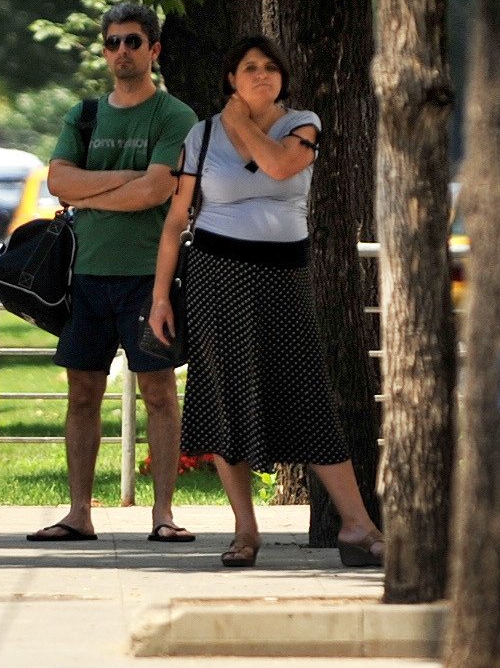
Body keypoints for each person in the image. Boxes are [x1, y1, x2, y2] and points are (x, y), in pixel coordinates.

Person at [145, 34, 384, 568]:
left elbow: (277, 167)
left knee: (309, 397)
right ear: (231, 78)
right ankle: (245, 531)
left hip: (284, 277)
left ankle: (356, 524)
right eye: (248, 68)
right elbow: (176, 222)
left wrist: (239, 122)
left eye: (270, 67)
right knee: (227, 398)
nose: (260, 75)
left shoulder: (303, 123)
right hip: (216, 276)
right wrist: (161, 296)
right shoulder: (202, 135)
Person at [28, 2, 196, 544]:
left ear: (154, 50)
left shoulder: (174, 117)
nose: (122, 50)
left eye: (133, 41)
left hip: (150, 280)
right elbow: (57, 183)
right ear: (104, 51)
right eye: (113, 42)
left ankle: (163, 514)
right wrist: (126, 181)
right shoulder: (82, 115)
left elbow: (158, 189)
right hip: (88, 279)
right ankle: (79, 513)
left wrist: (93, 186)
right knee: (82, 393)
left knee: (159, 393)